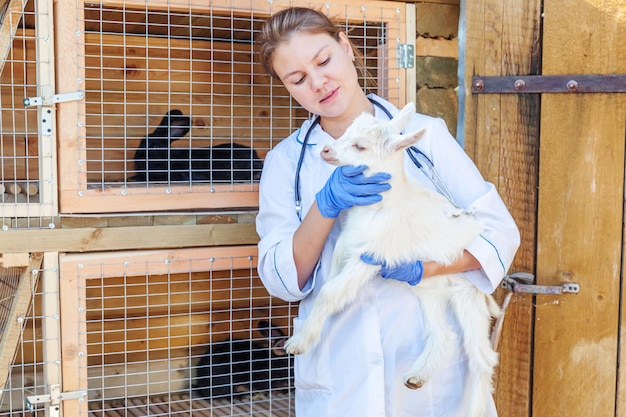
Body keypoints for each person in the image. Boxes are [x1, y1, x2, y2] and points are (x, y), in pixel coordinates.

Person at [255, 6, 520, 417]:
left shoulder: (425, 137)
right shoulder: (285, 164)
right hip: (343, 380)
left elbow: (498, 232)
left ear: (346, 47)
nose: (318, 82)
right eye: (298, 79)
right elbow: (281, 279)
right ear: (288, 89)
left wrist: (426, 269)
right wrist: (326, 206)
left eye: (323, 60)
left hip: (433, 381)